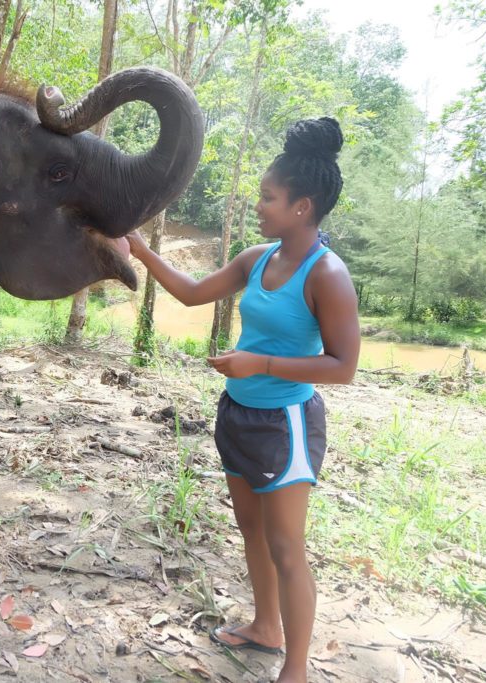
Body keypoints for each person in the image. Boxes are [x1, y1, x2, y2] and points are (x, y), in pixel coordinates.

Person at [126, 117, 360, 683]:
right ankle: (265, 628)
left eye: (268, 197)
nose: (259, 205)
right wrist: (137, 249)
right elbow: (190, 291)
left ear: (302, 207)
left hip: (286, 424)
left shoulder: (327, 275)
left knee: (287, 546)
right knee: (252, 532)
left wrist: (263, 364)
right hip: (236, 414)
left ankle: (296, 669)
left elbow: (344, 367)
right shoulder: (259, 258)